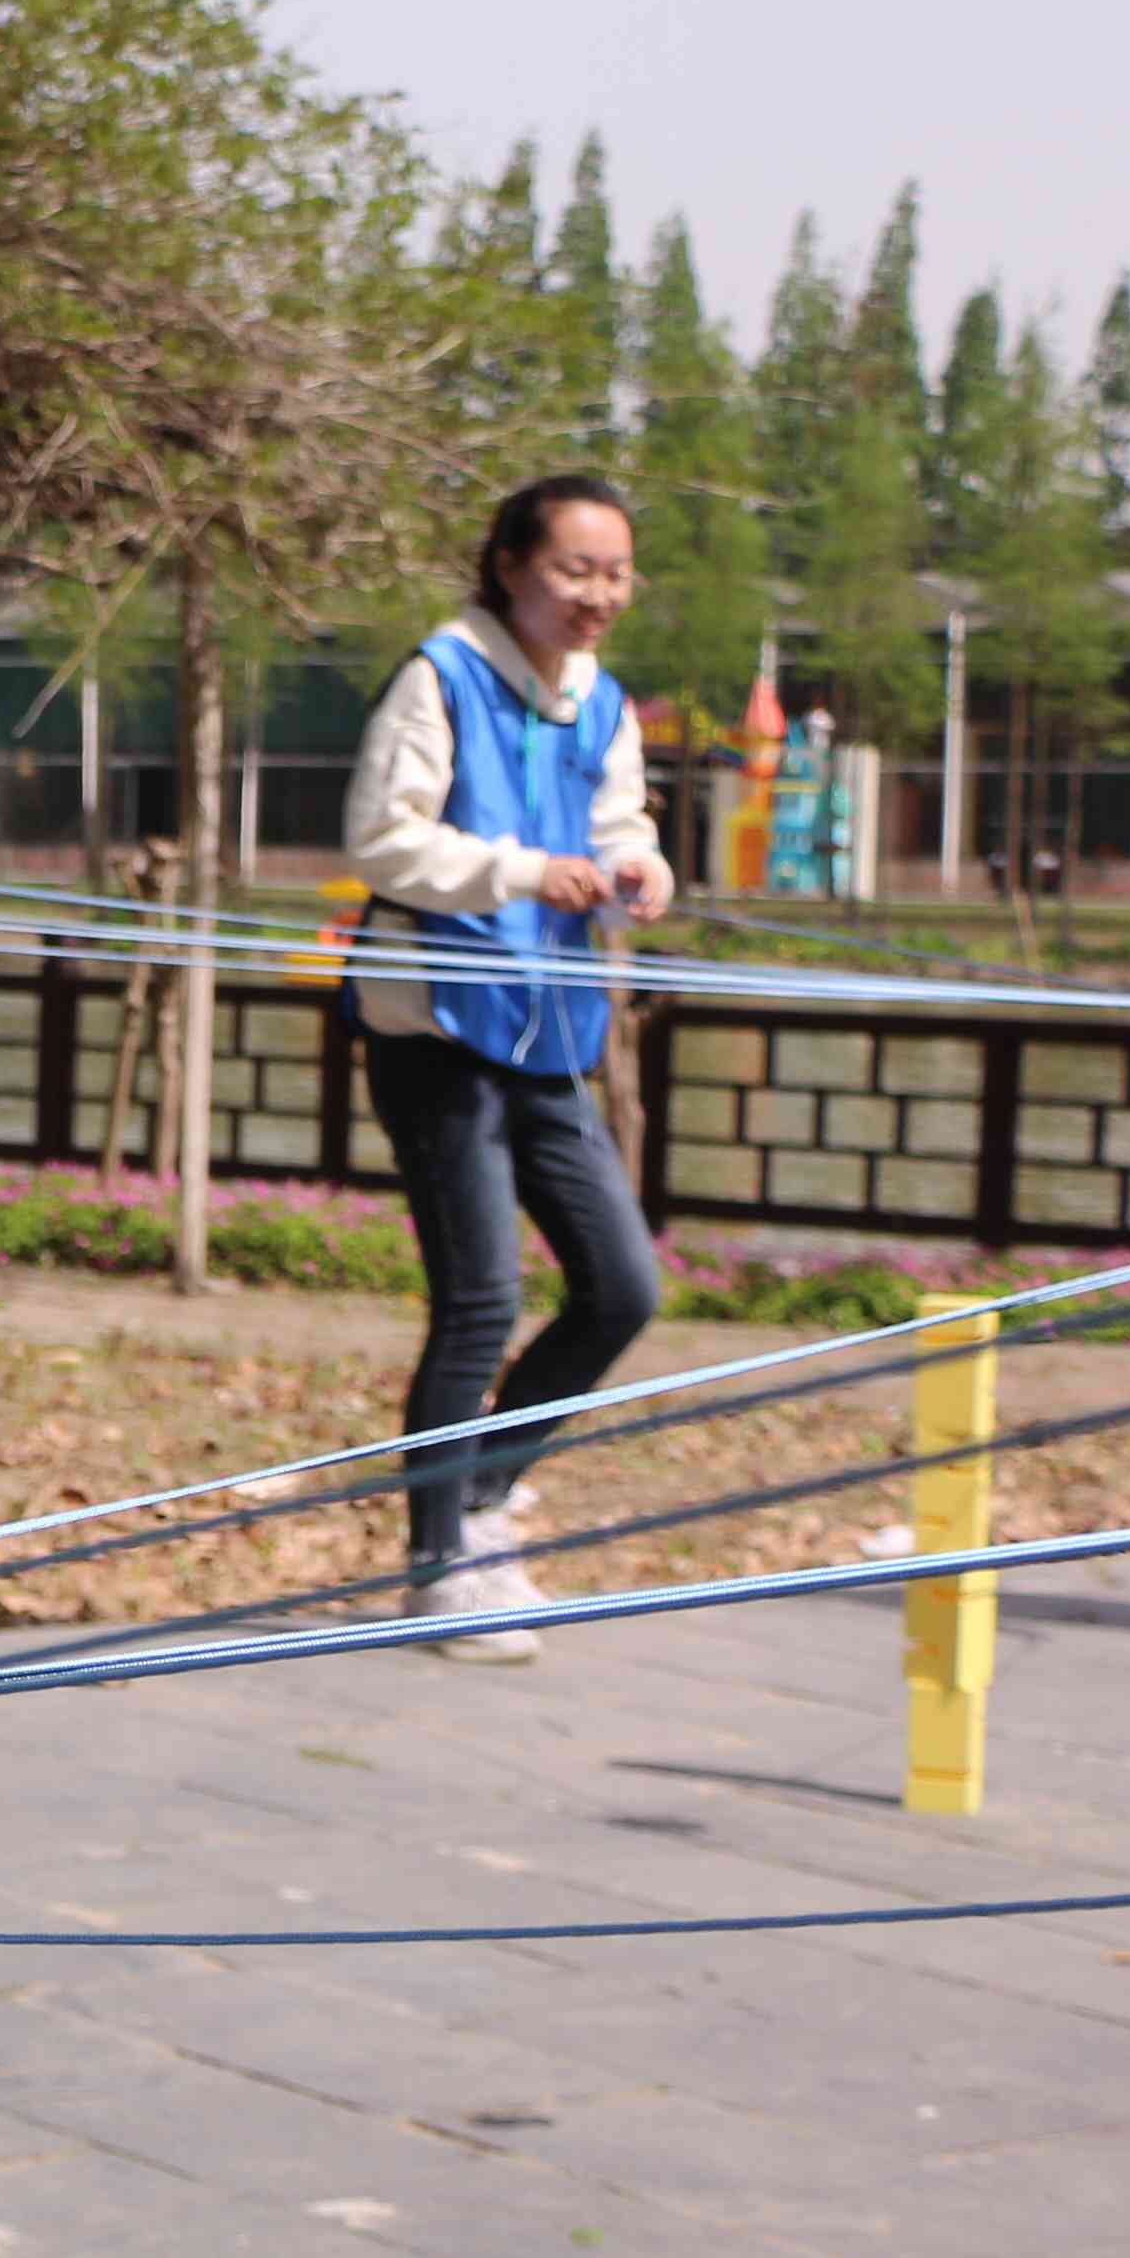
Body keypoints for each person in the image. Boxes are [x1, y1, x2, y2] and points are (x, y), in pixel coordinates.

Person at [341, 472, 677, 1663]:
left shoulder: (604, 702)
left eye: (616, 573)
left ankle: (486, 1507)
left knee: (623, 1286)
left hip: (550, 1032)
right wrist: (526, 872)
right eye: (574, 571)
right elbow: (383, 841)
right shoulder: (442, 675)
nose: (599, 596)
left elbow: (621, 824)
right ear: (509, 568)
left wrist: (641, 870)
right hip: (435, 1027)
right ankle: (438, 1566)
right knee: (481, 1299)